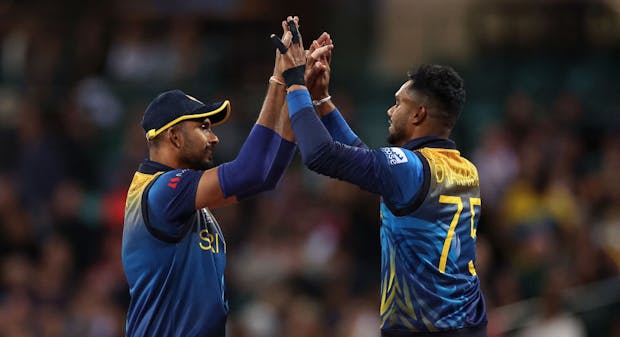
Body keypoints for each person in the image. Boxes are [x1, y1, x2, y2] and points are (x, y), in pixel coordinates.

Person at [277, 16, 488, 337]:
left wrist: (294, 82)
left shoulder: (410, 167)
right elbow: (370, 165)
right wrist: (321, 100)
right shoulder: (465, 169)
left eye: (398, 103)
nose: (390, 111)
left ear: (418, 113)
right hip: (467, 324)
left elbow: (320, 155)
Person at [121, 22, 297, 337]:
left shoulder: (183, 194)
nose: (214, 138)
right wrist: (278, 81)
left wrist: (296, 94)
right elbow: (251, 171)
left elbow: (265, 177)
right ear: (174, 137)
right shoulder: (162, 190)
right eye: (203, 127)